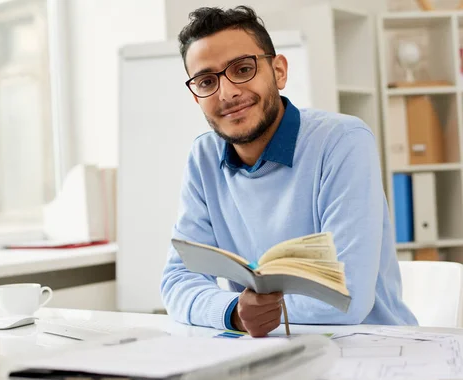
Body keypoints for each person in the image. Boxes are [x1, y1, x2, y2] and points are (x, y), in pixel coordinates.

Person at [160, 5, 418, 337]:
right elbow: (178, 280)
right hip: (271, 351)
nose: (227, 93)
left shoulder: (343, 142)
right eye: (207, 81)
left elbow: (346, 297)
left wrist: (255, 312)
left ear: (279, 71)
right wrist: (233, 312)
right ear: (196, 97)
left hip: (373, 350)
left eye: (242, 69)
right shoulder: (203, 157)